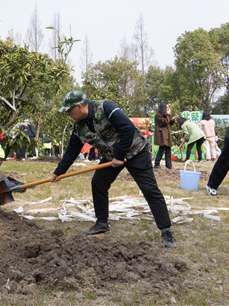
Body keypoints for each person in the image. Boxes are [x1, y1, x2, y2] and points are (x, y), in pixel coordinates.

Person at [50, 91, 175, 248]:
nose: (68, 114)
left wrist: (120, 155)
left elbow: (128, 128)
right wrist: (59, 171)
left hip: (136, 151)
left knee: (149, 188)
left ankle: (166, 231)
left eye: (69, 111)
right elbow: (72, 151)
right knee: (98, 183)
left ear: (79, 106)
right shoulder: (78, 127)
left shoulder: (105, 107)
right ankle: (102, 223)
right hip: (111, 157)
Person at [153, 102, 176, 169]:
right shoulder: (158, 115)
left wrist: (172, 119)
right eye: (167, 107)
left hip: (167, 134)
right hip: (162, 134)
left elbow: (169, 123)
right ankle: (156, 164)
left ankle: (169, 165)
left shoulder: (165, 115)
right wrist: (168, 115)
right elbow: (164, 122)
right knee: (161, 149)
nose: (167, 109)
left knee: (168, 149)